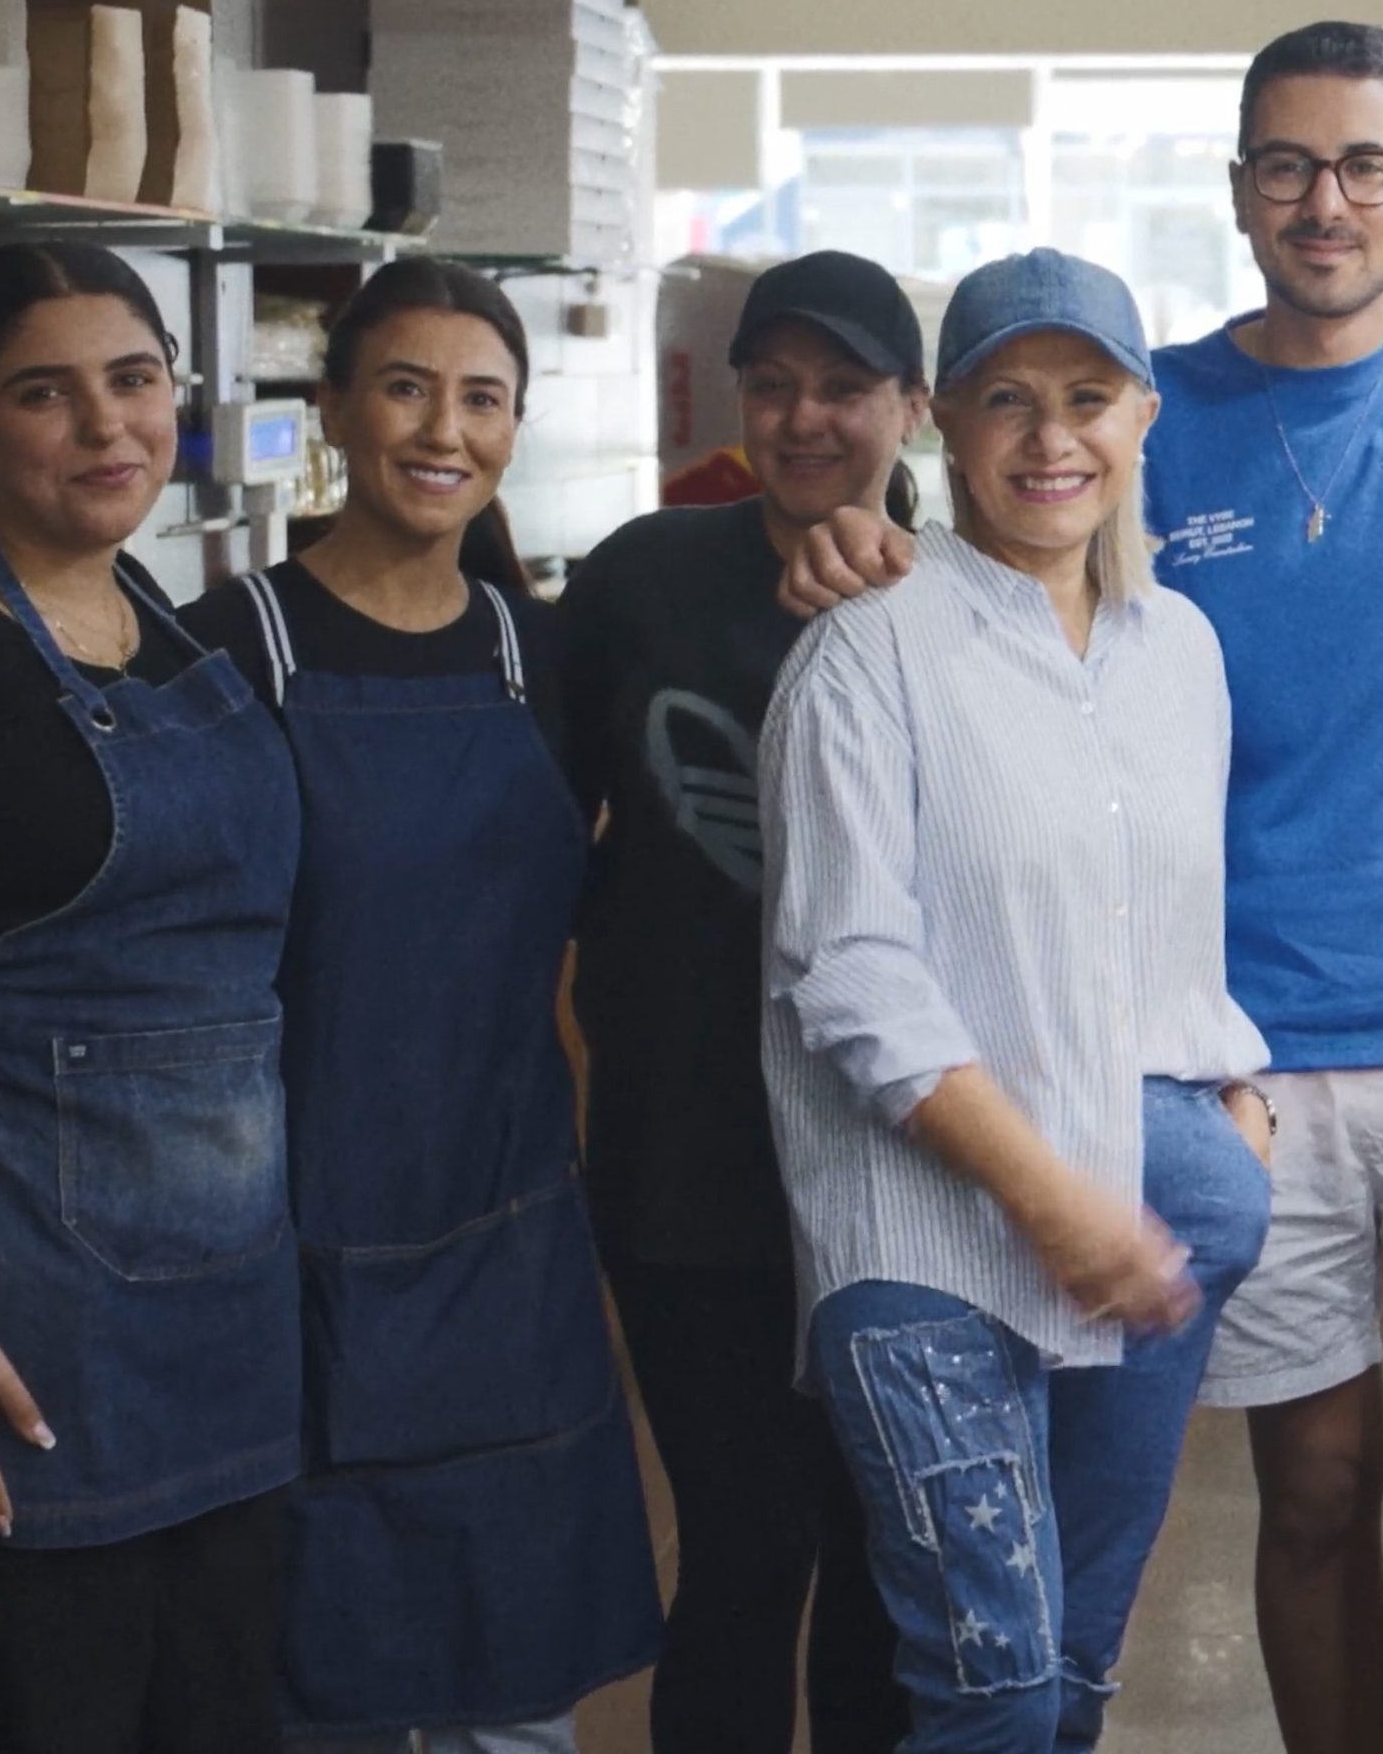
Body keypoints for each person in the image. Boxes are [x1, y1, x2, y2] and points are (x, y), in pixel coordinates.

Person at [782, 22, 1383, 1754]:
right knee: (1310, 1509)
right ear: (1239, 192)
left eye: (1366, 164)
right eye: (1289, 165)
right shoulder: (1144, 422)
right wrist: (855, 530)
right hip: (1246, 1072)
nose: (1328, 200)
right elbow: (984, 581)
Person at [761, 248, 1272, 1754]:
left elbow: (1165, 932)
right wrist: (1052, 1201)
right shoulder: (867, 651)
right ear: (947, 426)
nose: (1052, 439)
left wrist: (1239, 1098)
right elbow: (851, 974)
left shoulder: (1179, 650)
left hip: (1140, 1214)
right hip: (933, 1233)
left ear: (1143, 416)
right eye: (1009, 400)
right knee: (983, 1688)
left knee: (1071, 1673)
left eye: (1088, 399)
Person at [178, 256, 661, 1752]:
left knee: (514, 1688)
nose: (442, 429)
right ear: (331, 409)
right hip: (279, 1246)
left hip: (504, 1231)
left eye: (482, 398)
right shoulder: (221, 650)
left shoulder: (549, 659)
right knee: (308, 1676)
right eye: (403, 387)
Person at [0, 241, 303, 1754]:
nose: (107, 428)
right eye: (45, 394)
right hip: (16, 1335)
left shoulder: (160, 610)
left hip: (222, 1329)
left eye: (133, 381)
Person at [557, 252, 923, 1754]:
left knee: (886, 1566)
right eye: (772, 385)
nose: (804, 417)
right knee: (741, 1550)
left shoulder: (966, 604)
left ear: (914, 408)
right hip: (687, 1156)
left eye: (844, 386)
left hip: (902, 1165)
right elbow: (507, 828)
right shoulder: (646, 577)